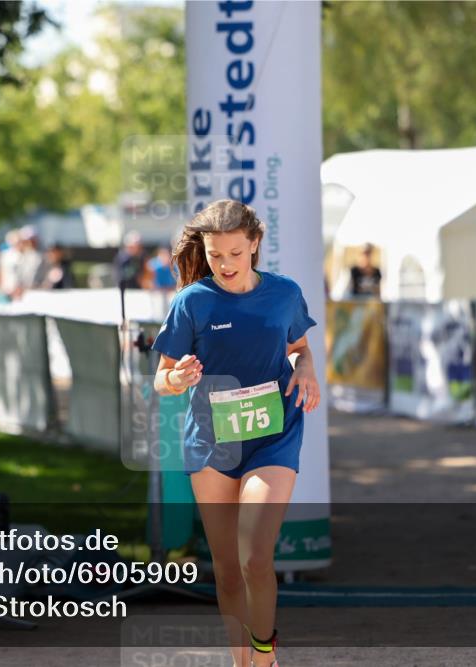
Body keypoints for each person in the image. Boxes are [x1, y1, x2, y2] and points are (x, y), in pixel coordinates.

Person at [151, 199, 320, 667]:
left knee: (254, 556)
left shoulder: (284, 294)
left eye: (234, 253)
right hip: (211, 443)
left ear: (255, 246)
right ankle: (239, 660)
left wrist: (307, 369)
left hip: (273, 435)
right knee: (226, 571)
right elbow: (161, 379)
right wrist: (177, 378)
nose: (224, 265)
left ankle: (265, 655)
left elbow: (299, 347)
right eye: (215, 255)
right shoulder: (192, 302)